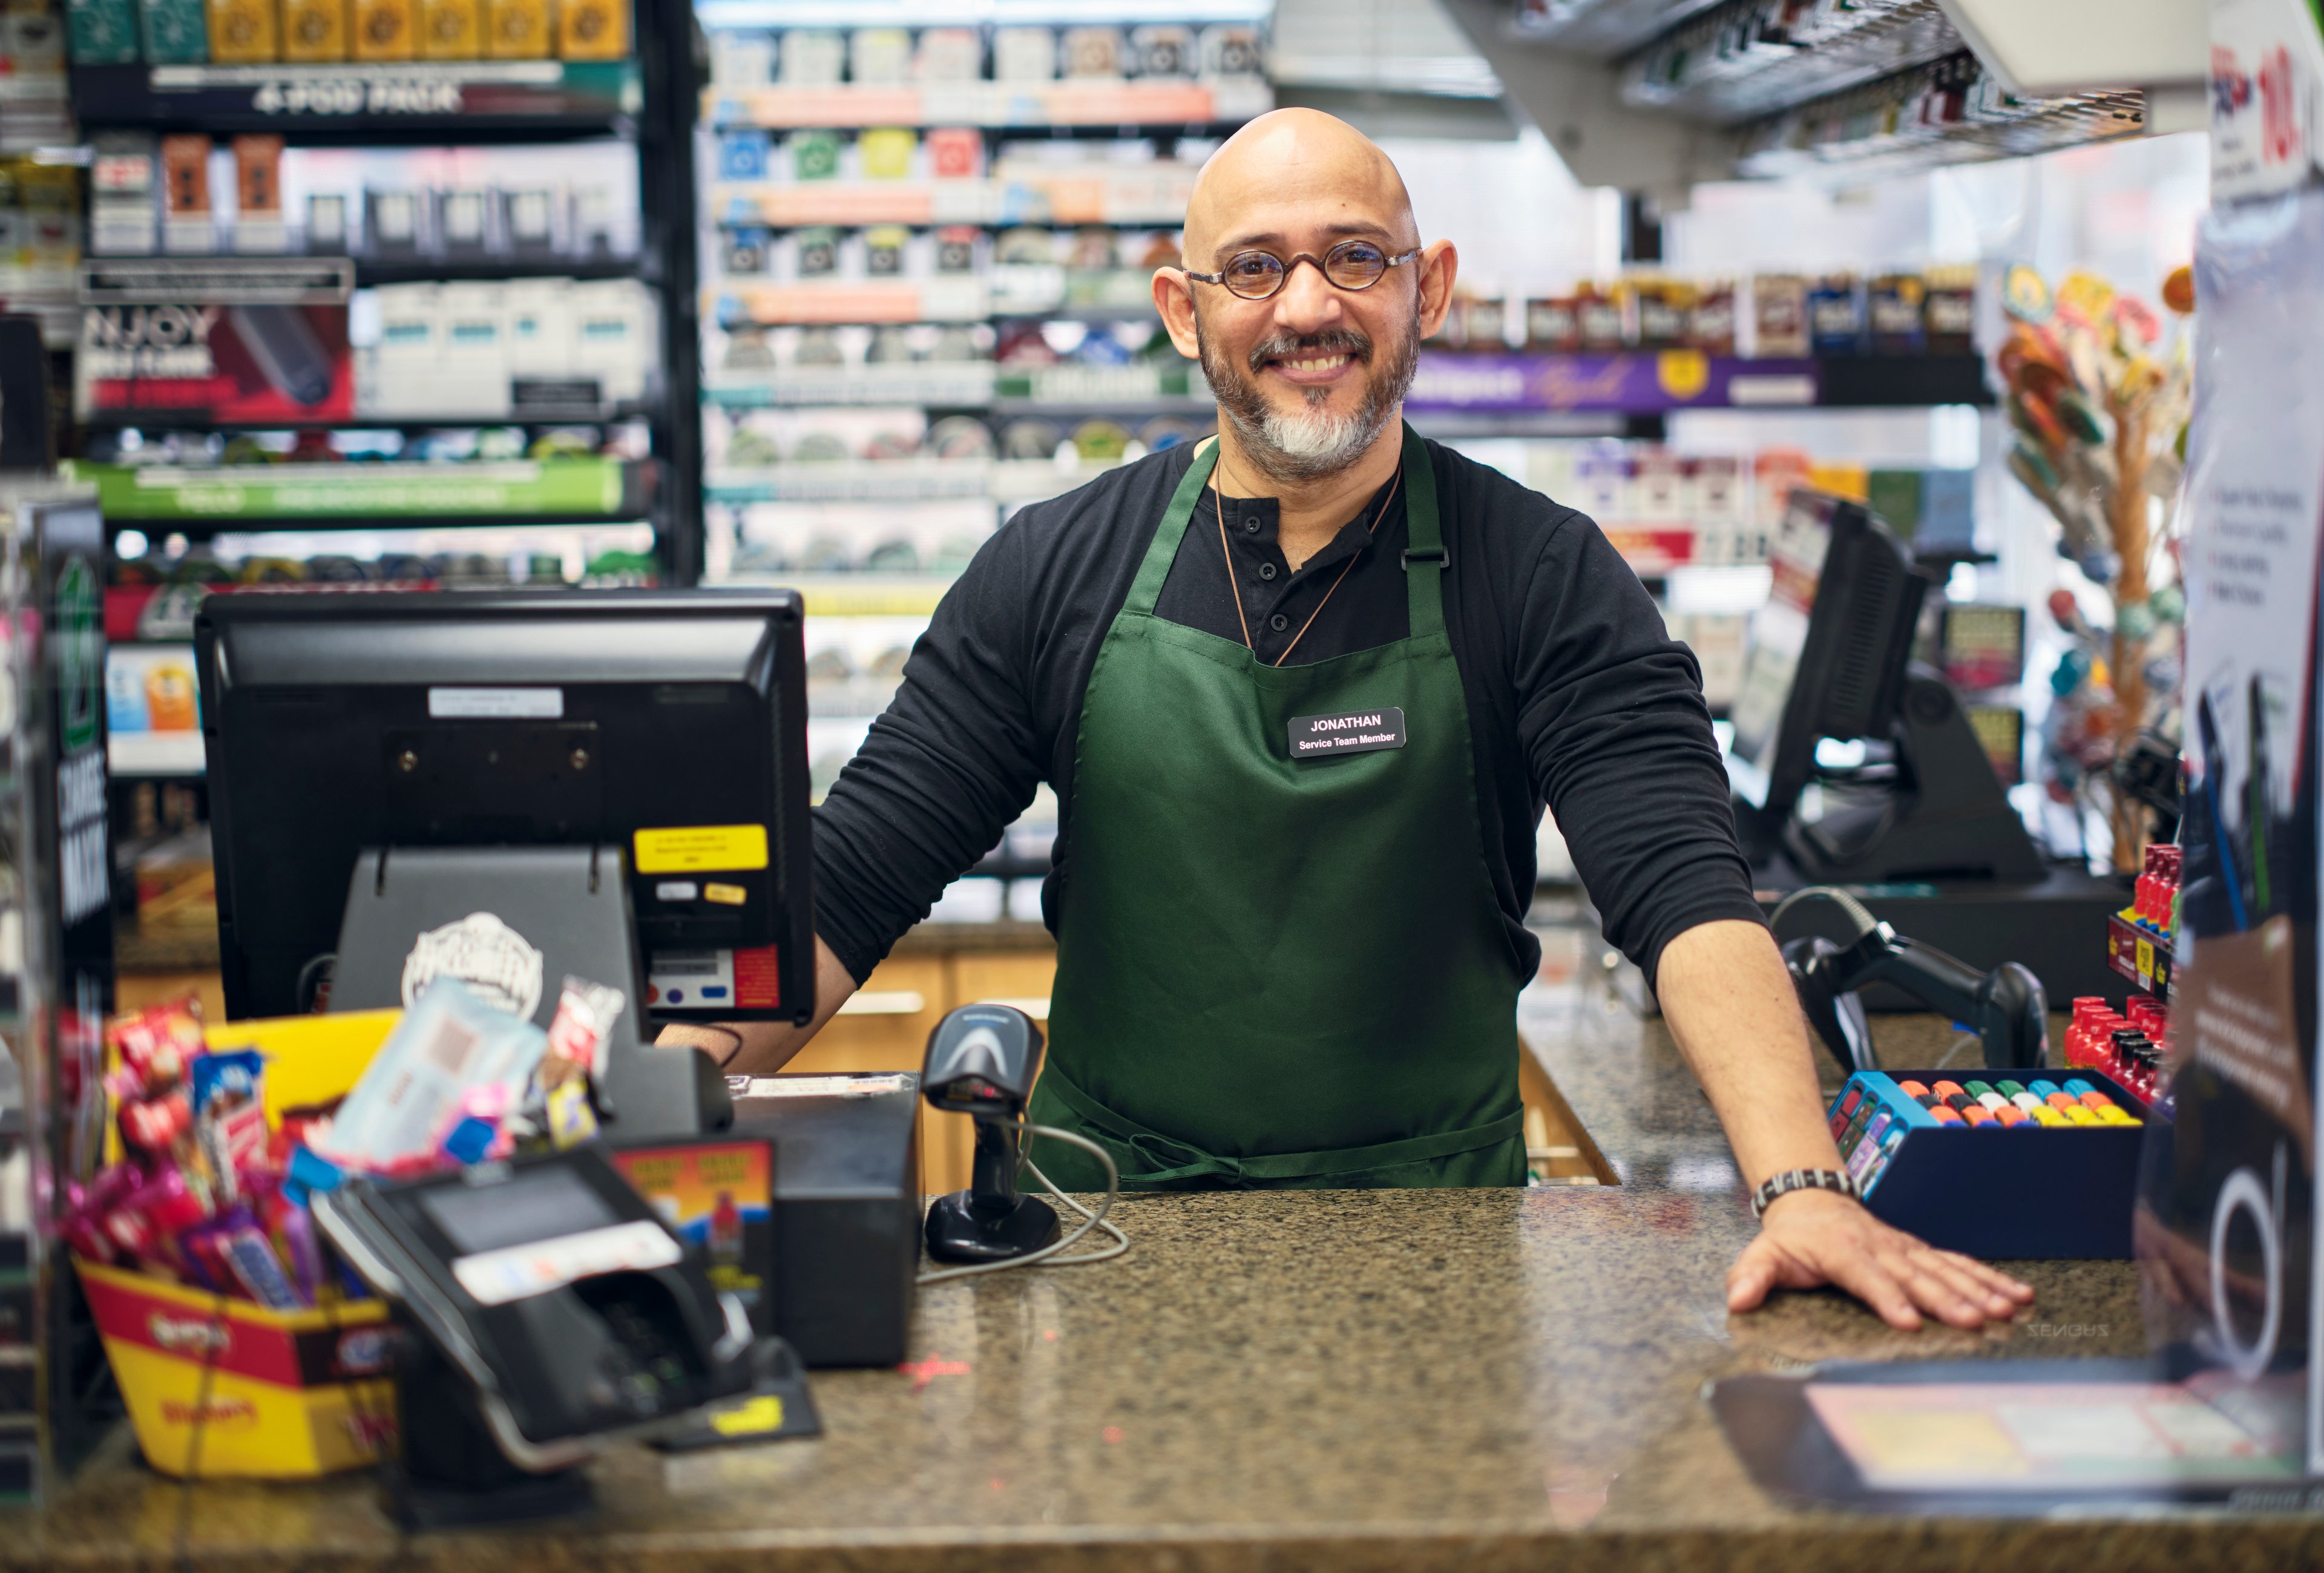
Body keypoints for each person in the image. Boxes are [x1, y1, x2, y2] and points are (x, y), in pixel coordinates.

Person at [664, 108, 2034, 1332]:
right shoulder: (1056, 568)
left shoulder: (1541, 572)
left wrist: (1803, 1188)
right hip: (1100, 1236)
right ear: (1184, 309)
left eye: (1356, 258)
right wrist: (639, 1110)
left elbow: (1687, 894)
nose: (1308, 304)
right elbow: (850, 886)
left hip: (1437, 1249)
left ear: (1426, 288)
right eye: (1255, 266)